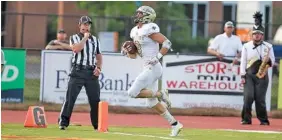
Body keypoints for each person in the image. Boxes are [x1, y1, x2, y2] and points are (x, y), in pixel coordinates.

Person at [121, 6, 183, 137]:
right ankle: (175, 124)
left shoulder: (149, 28)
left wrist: (157, 57)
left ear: (147, 16)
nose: (137, 15)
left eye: (140, 13)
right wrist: (127, 52)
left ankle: (161, 93)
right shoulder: (134, 31)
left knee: (132, 92)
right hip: (147, 66)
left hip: (153, 67)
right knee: (152, 103)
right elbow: (136, 54)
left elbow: (167, 43)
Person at [58, 16, 102, 130]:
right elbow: (76, 49)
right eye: (84, 24)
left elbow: (99, 56)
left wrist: (99, 68)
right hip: (78, 71)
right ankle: (63, 122)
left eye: (88, 24)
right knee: (70, 98)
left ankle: (97, 125)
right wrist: (85, 39)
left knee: (95, 100)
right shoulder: (74, 38)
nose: (86, 26)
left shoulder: (96, 40)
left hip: (91, 72)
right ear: (80, 25)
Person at [240, 13, 275, 125]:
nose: (257, 36)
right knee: (248, 97)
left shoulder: (268, 47)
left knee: (260, 99)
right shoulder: (246, 46)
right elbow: (243, 62)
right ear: (252, 35)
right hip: (249, 75)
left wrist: (268, 61)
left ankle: (263, 120)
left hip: (262, 76)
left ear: (262, 35)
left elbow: (273, 61)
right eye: (255, 34)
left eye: (259, 34)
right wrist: (242, 75)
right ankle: (246, 119)